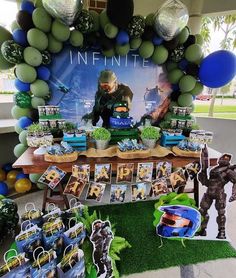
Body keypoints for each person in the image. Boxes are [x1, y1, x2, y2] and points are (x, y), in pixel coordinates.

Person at [197, 150, 236, 239]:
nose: (224, 160)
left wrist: (234, 193)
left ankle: (222, 231)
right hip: (209, 191)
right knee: (202, 211)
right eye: (223, 158)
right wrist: (202, 173)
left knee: (221, 213)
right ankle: (202, 229)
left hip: (219, 193)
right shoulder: (214, 169)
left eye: (226, 159)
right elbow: (208, 182)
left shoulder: (229, 171)